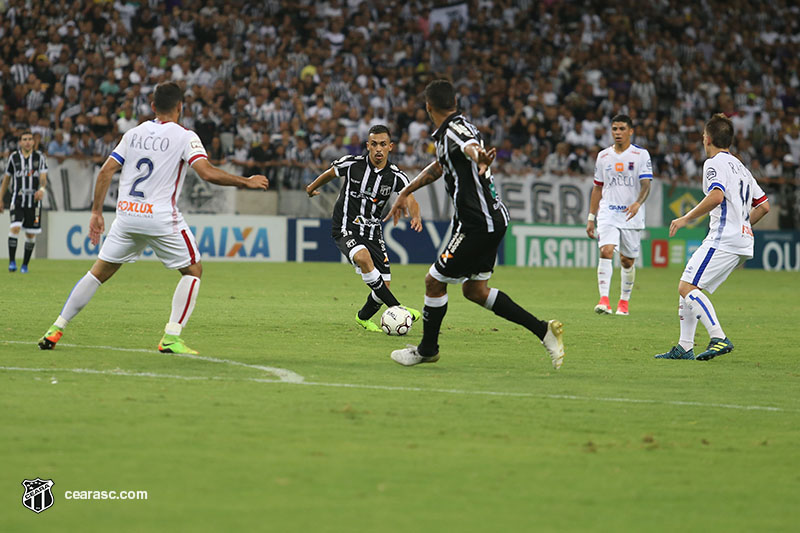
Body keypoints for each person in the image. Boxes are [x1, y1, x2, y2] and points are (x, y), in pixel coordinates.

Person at [38, 82, 269, 354]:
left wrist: (96, 212)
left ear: (152, 106)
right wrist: (246, 181)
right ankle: (171, 337)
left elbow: (105, 172)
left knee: (97, 273)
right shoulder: (185, 136)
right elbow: (206, 173)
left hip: (127, 216)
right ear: (180, 107)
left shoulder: (133, 133)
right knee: (193, 271)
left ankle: (56, 327)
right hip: (160, 217)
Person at [385, 80, 564, 369]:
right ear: (454, 103)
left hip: (477, 224)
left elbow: (470, 147)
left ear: (428, 107)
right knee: (475, 291)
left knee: (434, 282)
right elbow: (441, 166)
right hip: (489, 219)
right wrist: (407, 191)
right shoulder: (453, 130)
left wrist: (479, 157)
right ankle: (544, 331)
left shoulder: (456, 132)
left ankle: (427, 349)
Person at [655, 113, 770, 361]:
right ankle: (684, 346)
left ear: (707, 138)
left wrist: (686, 218)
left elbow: (716, 196)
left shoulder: (714, 163)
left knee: (686, 287)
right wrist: (743, 225)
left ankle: (719, 337)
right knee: (688, 285)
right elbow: (763, 205)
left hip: (723, 238)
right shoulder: (741, 167)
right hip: (740, 239)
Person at [306, 124, 422, 331]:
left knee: (382, 286)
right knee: (362, 257)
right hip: (345, 227)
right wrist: (311, 187)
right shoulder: (352, 164)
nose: (378, 149)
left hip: (372, 232)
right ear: (367, 145)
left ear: (390, 147)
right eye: (374, 144)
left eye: (383, 144)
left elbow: (410, 197)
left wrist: (416, 216)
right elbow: (330, 173)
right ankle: (398, 308)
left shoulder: (395, 175)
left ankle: (362, 317)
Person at [586, 114, 653, 316]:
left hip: (631, 214)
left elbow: (646, 184)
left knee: (627, 261)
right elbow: (597, 188)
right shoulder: (603, 156)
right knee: (606, 250)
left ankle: (623, 302)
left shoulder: (641, 155)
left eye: (622, 129)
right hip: (608, 212)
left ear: (631, 131)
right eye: (614, 129)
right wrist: (591, 217)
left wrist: (637, 203)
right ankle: (604, 300)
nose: (617, 133)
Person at [0, 130, 48, 273]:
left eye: (29, 139)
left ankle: (25, 265)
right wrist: (0, 198)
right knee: (15, 228)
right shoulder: (13, 158)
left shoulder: (40, 158)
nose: (27, 141)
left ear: (33, 142)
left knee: (30, 235)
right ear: (20, 142)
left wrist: (42, 189)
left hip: (34, 203)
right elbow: (6, 180)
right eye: (24, 139)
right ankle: (12, 262)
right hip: (18, 200)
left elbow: (43, 178)